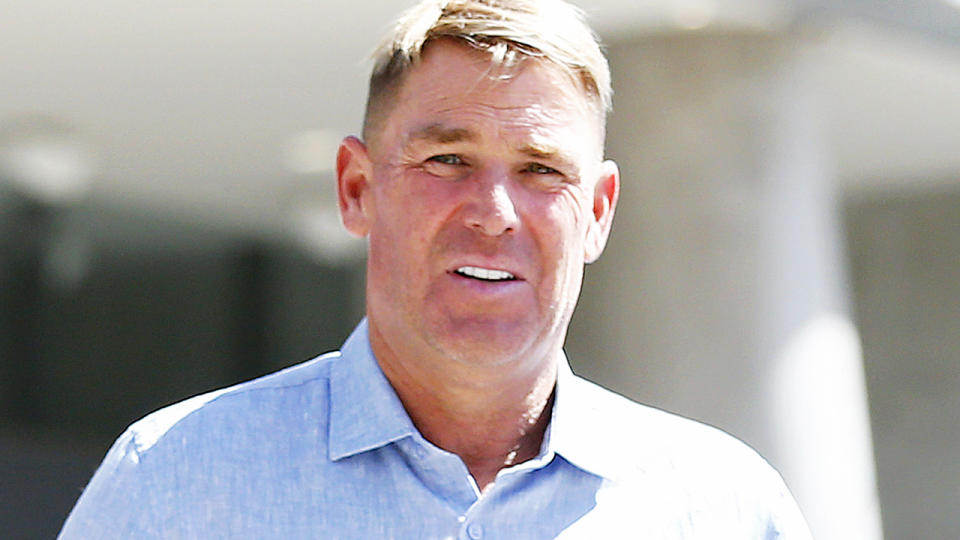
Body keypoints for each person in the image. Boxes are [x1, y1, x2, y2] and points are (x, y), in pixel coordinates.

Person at [59, 0, 813, 538]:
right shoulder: (181, 481)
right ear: (357, 189)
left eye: (542, 170)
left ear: (599, 212)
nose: (494, 211)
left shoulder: (726, 510)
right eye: (447, 159)